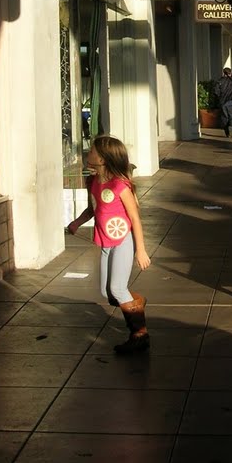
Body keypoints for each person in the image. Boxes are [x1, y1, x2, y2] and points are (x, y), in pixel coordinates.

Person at [67, 135, 152, 353]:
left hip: (123, 241)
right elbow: (93, 209)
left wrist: (140, 250)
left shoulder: (120, 185)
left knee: (117, 288)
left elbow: (135, 218)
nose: (88, 153)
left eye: (92, 151)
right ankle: (136, 302)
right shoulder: (93, 182)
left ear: (103, 159)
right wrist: (77, 222)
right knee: (108, 293)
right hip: (105, 241)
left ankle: (139, 334)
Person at [215, 67, 232, 137]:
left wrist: (219, 98)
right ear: (230, 73)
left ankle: (227, 131)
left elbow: (216, 92)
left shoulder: (219, 81)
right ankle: (231, 126)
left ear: (223, 73)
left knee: (224, 117)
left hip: (223, 102)